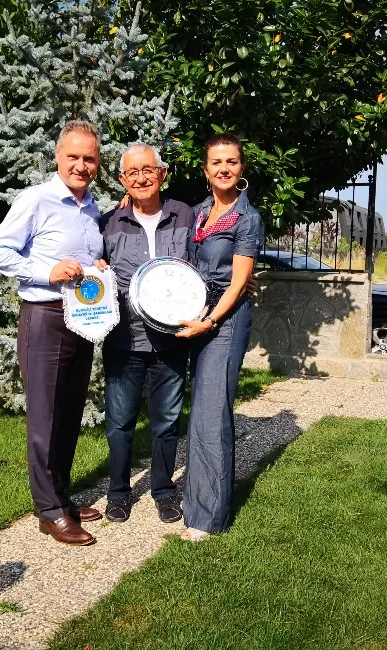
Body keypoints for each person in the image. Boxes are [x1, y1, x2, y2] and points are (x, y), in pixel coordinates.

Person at [0, 120, 105, 547]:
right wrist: (46, 271)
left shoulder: (92, 207)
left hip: (80, 319)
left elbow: (86, 259)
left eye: (89, 158)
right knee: (45, 417)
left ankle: (62, 497)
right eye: (73, 156)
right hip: (44, 318)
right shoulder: (36, 199)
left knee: (69, 413)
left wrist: (97, 267)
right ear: (57, 156)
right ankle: (48, 511)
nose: (81, 165)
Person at [94, 143, 192, 525]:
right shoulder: (108, 223)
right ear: (122, 179)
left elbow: (209, 255)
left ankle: (164, 491)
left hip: (172, 341)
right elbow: (90, 265)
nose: (141, 177)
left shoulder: (185, 214)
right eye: (132, 172)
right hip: (124, 341)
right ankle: (118, 493)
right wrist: (94, 265)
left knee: (166, 422)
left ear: (162, 173)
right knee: (120, 422)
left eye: (148, 169)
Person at [175, 132, 265, 541]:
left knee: (212, 413)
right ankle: (196, 500)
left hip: (223, 321)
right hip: (197, 314)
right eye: (217, 162)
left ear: (241, 168)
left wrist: (209, 321)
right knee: (201, 410)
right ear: (206, 169)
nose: (224, 168)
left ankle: (208, 517)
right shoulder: (197, 212)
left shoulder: (248, 217)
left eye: (232, 161)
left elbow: (239, 282)